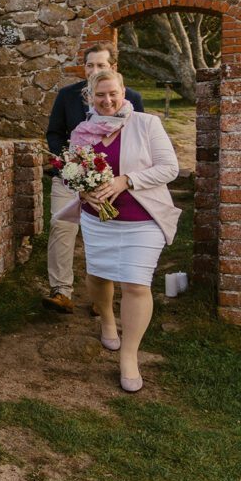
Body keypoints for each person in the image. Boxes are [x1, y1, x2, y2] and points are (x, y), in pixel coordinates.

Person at [55, 69, 180, 392]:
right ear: (90, 97)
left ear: (123, 92)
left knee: (136, 284)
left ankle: (129, 355)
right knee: (98, 277)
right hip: (99, 220)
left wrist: (127, 180)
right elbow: (72, 173)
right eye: (100, 95)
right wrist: (83, 190)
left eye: (113, 93)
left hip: (142, 218)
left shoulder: (146, 124)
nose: (108, 100)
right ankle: (108, 319)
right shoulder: (82, 131)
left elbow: (170, 168)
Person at [43, 43, 144, 314]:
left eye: (101, 65)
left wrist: (120, 179)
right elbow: (54, 134)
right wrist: (70, 165)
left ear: (113, 68)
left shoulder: (130, 97)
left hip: (112, 181)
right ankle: (61, 290)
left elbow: (139, 140)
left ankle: (103, 299)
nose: (94, 70)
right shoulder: (67, 96)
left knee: (106, 231)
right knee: (61, 224)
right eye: (90, 65)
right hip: (71, 176)